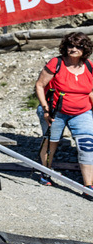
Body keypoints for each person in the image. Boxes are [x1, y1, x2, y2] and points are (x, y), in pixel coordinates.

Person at [34, 32, 93, 190]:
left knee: (87, 145)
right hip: (55, 111)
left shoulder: (89, 66)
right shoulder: (56, 63)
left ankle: (88, 185)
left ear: (84, 48)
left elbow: (91, 91)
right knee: (51, 143)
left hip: (82, 111)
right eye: (70, 45)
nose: (73, 49)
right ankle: (45, 173)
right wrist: (46, 109)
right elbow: (39, 85)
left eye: (78, 46)